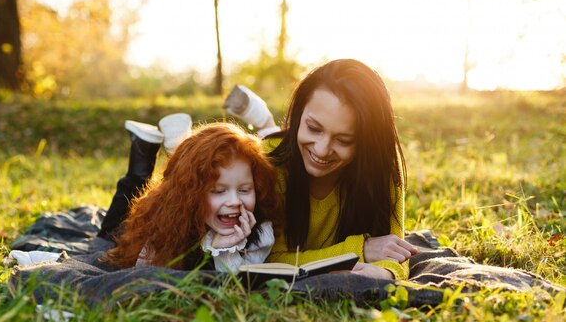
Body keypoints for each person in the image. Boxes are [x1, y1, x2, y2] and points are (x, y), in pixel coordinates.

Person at [224, 59, 417, 280]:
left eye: (344, 140)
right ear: (297, 116)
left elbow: (396, 254)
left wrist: (386, 272)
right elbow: (269, 259)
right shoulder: (269, 163)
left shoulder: (382, 169)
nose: (322, 150)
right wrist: (360, 250)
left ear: (366, 143)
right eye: (313, 128)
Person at [103, 122, 283, 272]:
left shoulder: (261, 233)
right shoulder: (166, 222)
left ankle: (175, 147)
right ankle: (141, 155)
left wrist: (224, 250)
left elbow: (236, 286)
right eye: (219, 191)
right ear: (192, 195)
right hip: (136, 222)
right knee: (108, 233)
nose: (235, 202)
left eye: (244, 190)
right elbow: (148, 277)